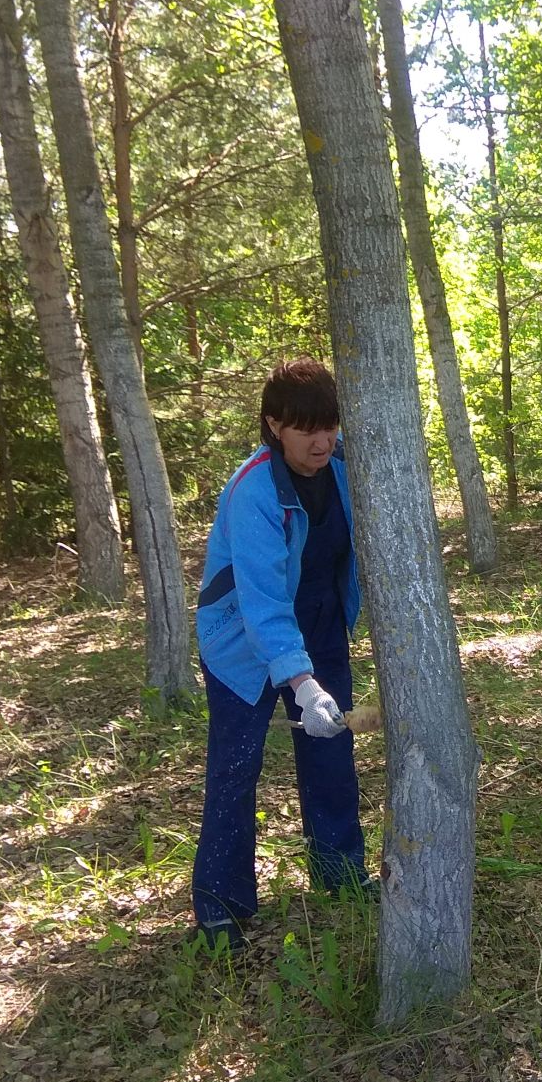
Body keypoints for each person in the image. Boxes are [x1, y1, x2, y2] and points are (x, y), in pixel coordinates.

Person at [191, 358, 369, 952]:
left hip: (318, 622)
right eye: (305, 428)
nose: (322, 440)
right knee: (236, 767)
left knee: (331, 755)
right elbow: (262, 603)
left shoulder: (345, 470)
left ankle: (340, 874)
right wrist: (302, 682)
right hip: (242, 639)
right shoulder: (254, 493)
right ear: (273, 426)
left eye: (330, 425)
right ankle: (221, 907)